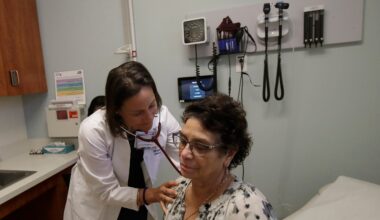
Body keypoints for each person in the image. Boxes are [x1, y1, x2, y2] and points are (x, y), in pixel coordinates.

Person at [64, 61, 180, 220]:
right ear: (117, 110)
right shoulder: (93, 130)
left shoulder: (163, 117)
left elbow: (184, 156)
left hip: (140, 201)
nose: (148, 119)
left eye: (152, 105)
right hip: (100, 208)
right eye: (137, 113)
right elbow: (106, 192)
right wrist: (151, 194)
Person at [164, 93, 277, 220]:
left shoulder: (247, 208)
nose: (184, 154)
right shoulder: (179, 188)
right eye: (183, 140)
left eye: (201, 146)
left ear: (229, 154)